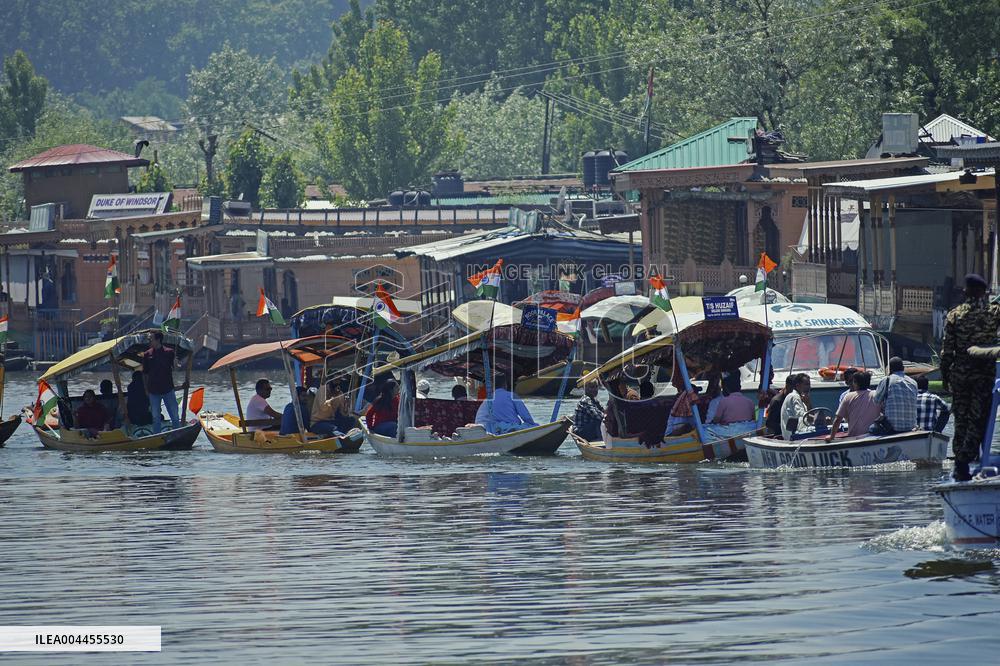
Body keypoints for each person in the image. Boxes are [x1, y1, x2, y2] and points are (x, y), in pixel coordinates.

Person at [940, 273, 1000, 481]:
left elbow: (947, 352)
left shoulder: (955, 315)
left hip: (961, 376)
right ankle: (972, 458)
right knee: (980, 418)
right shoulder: (994, 312)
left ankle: (961, 464)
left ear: (965, 292)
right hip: (984, 375)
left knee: (962, 420)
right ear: (984, 292)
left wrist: (946, 376)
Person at [142, 331, 185, 433]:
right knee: (156, 417)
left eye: (151, 338)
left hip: (168, 389)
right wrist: (146, 389)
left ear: (158, 340)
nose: (150, 340)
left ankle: (178, 434)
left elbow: (176, 369)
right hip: (153, 391)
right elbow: (145, 374)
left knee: (174, 415)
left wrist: (176, 364)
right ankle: (157, 436)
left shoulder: (169, 352)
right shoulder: (147, 354)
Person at [826, 371, 880, 441]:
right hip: (873, 436)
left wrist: (831, 436)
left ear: (855, 383)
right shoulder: (876, 394)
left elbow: (838, 419)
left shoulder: (848, 396)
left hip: (854, 437)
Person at [870, 357, 917, 436]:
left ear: (890, 369)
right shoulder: (913, 382)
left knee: (871, 428)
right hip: (910, 426)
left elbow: (876, 400)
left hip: (892, 428)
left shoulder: (887, 380)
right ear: (903, 368)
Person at [780, 374, 810, 440]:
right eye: (806, 384)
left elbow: (808, 417)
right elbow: (800, 414)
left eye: (809, 384)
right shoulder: (794, 396)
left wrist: (808, 403)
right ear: (797, 385)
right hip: (793, 437)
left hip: (800, 434)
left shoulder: (802, 398)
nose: (809, 387)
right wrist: (817, 418)